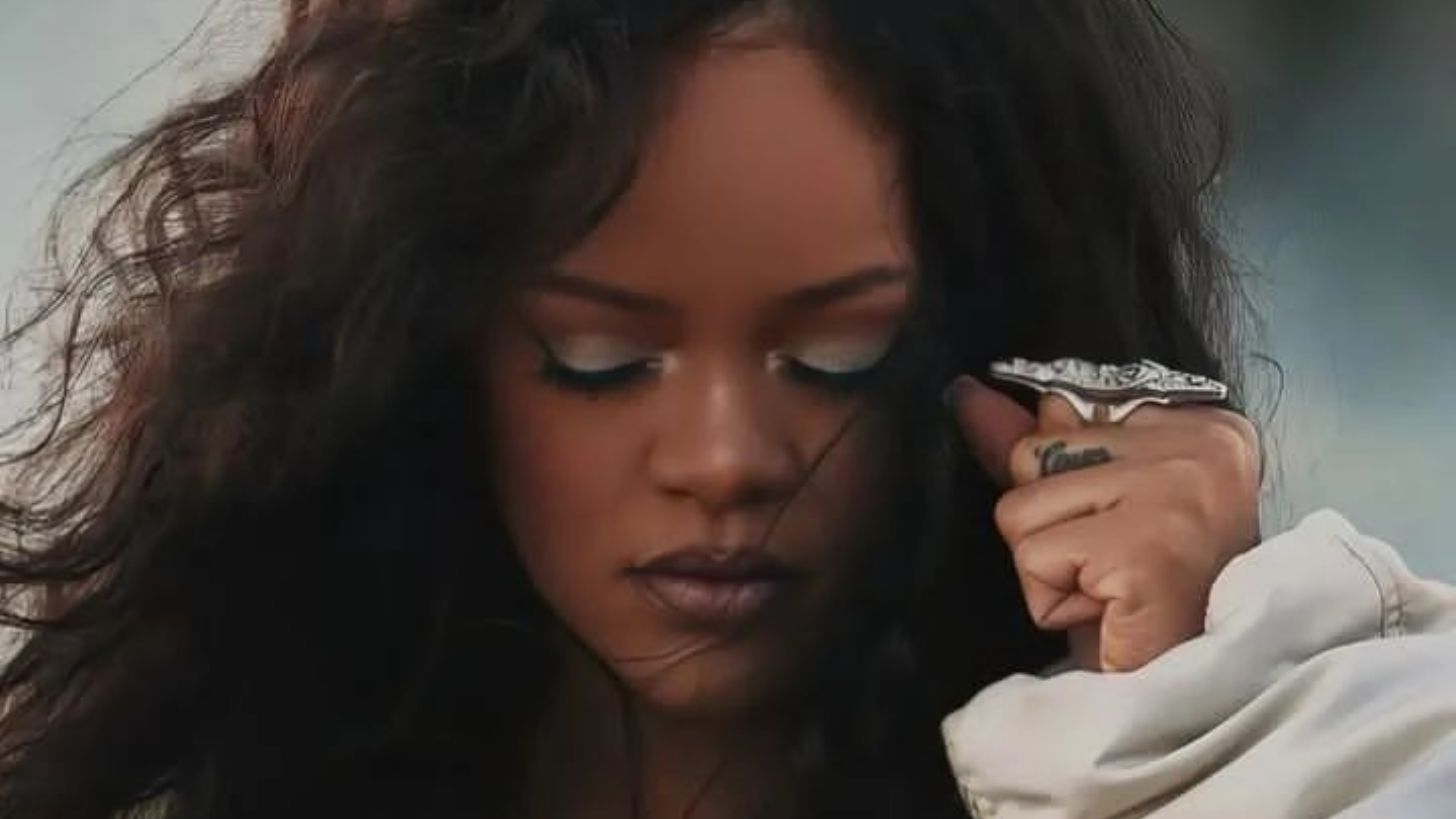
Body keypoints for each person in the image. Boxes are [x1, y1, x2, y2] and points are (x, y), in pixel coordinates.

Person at [0, 1, 1441, 818]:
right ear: (420, 341)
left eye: (840, 355)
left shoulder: (1305, 740)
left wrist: (1180, 716)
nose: (727, 462)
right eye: (597, 357)